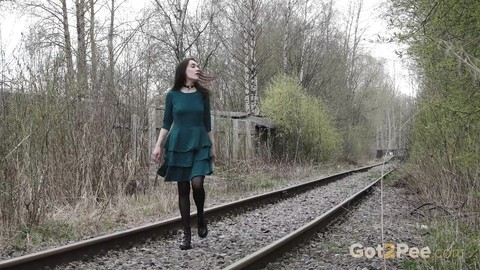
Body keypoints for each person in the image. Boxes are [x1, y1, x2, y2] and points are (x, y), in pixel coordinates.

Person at [151, 58, 215, 250]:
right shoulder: (172, 95)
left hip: (199, 142)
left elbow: (207, 123)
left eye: (198, 66)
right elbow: (166, 122)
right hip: (178, 143)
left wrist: (213, 147)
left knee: (197, 183)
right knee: (183, 190)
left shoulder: (203, 94)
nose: (198, 68)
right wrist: (158, 145)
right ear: (183, 70)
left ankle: (201, 216)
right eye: (193, 66)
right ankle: (187, 234)